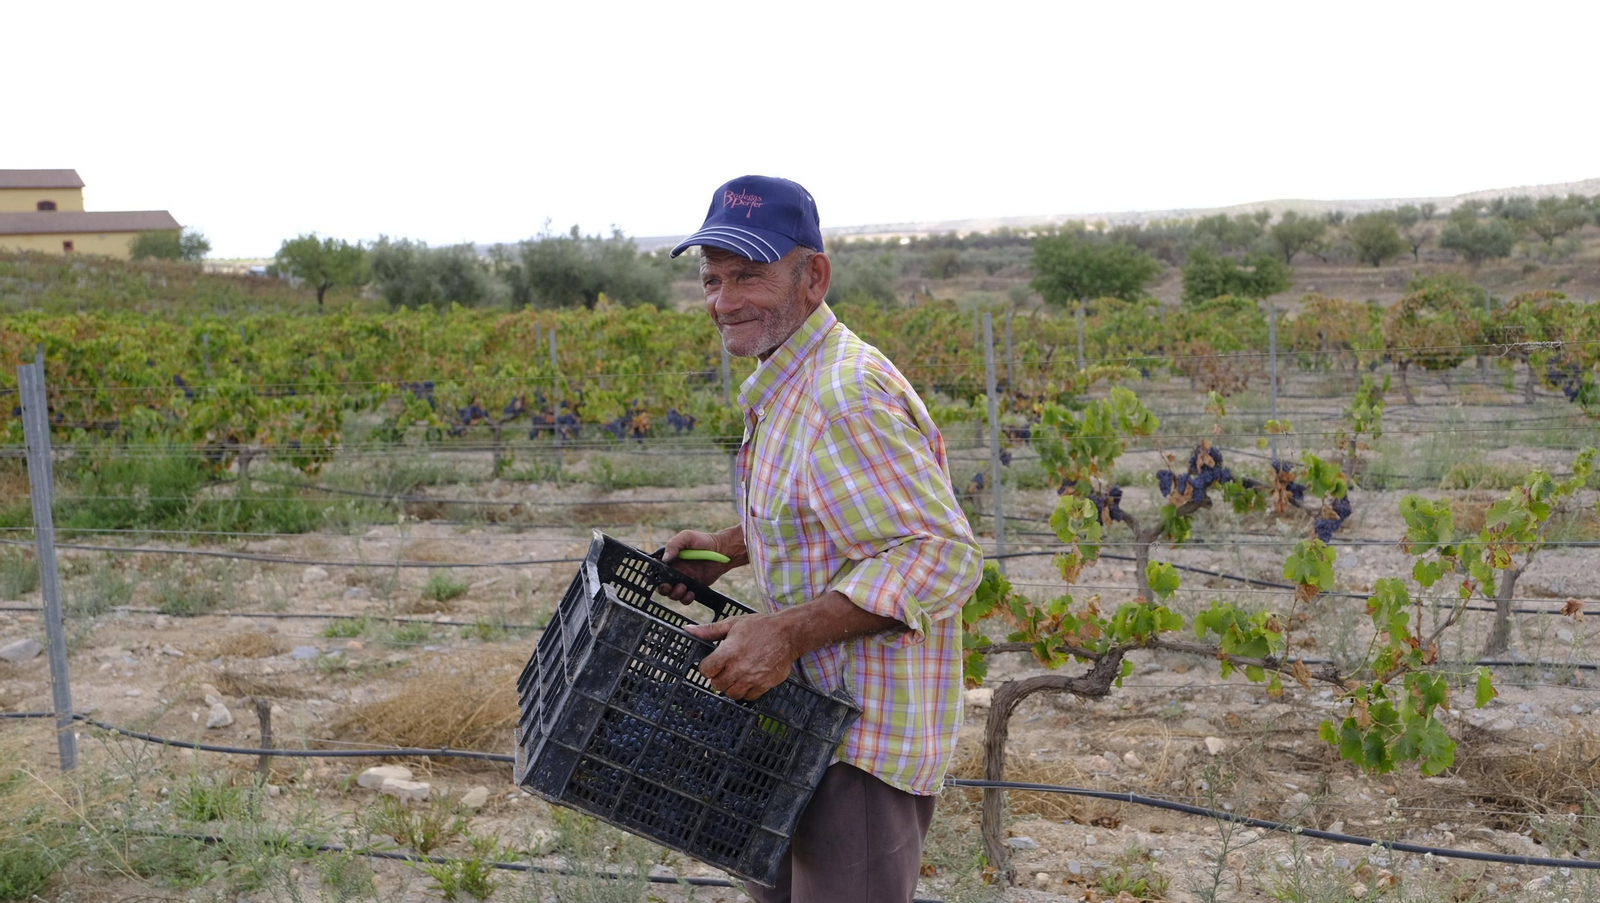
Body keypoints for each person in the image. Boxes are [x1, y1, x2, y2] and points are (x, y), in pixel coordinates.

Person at [655, 175, 983, 903]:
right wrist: (724, 547)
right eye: (712, 278)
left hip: (861, 740)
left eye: (748, 275)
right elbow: (822, 508)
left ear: (814, 277)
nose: (723, 300)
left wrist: (788, 633)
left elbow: (943, 556)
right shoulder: (789, 380)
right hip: (799, 719)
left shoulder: (845, 396)